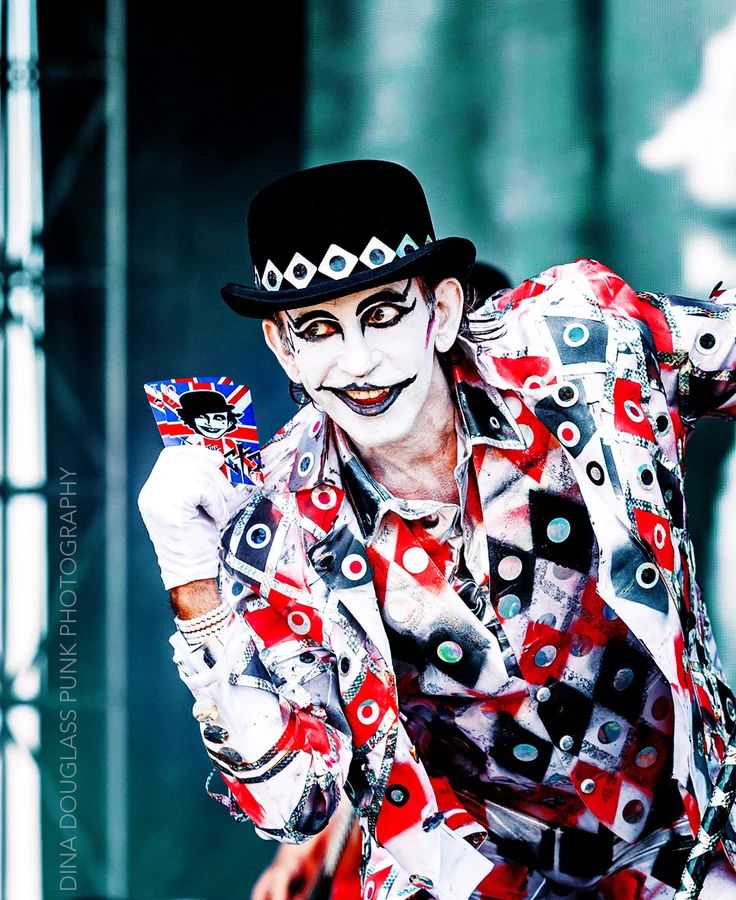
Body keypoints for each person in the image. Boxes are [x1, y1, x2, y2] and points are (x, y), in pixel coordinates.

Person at [138, 159, 736, 899]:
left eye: (383, 314)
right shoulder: (277, 530)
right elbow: (296, 801)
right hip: (471, 875)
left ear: (443, 308)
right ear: (283, 347)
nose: (359, 362)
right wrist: (192, 579)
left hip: (688, 837)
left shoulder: (578, 351)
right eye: (319, 329)